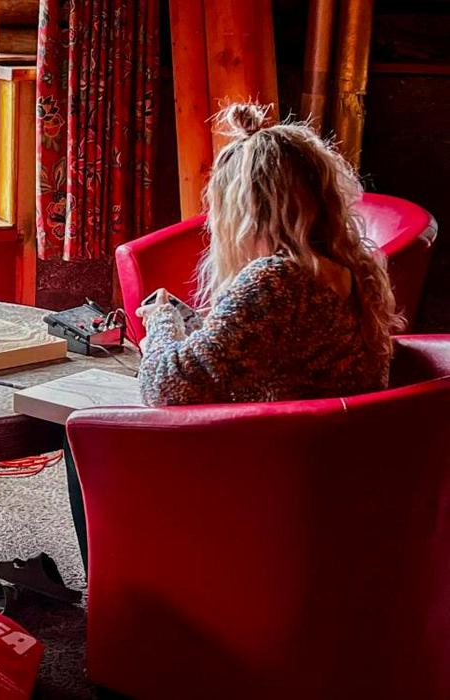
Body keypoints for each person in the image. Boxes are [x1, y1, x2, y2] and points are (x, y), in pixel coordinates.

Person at [66, 103, 401, 568]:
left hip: (267, 469)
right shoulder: (351, 270)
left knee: (82, 427)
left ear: (247, 211)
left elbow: (167, 387)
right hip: (327, 465)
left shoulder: (275, 279)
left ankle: (120, 583)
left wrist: (160, 321)